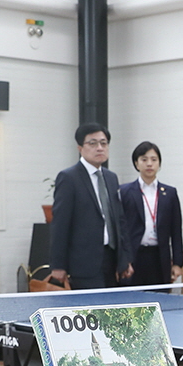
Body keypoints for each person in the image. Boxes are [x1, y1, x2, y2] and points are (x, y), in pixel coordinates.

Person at [49, 123, 133, 289]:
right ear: (80, 148)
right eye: (93, 143)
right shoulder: (69, 178)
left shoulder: (111, 178)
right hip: (84, 263)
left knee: (111, 311)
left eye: (104, 143)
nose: (99, 148)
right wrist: (58, 265)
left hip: (111, 260)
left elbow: (119, 220)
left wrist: (125, 259)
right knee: (92, 313)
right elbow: (60, 223)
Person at [119, 141, 183, 287]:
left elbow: (176, 230)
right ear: (136, 164)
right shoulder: (124, 192)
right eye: (144, 159)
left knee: (161, 301)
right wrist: (122, 260)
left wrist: (178, 263)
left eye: (154, 160)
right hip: (134, 257)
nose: (149, 164)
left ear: (159, 164)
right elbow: (120, 230)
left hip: (159, 257)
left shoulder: (170, 193)